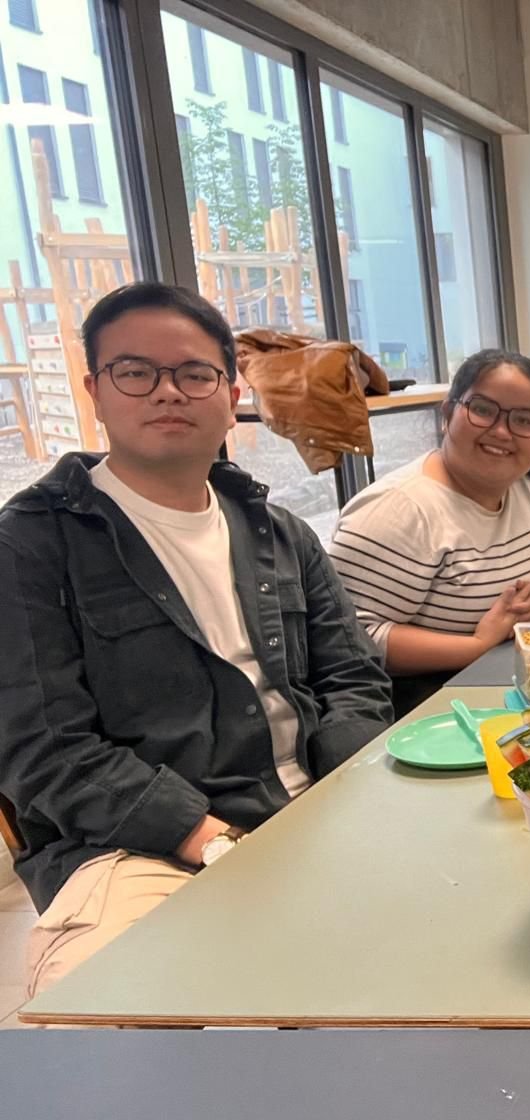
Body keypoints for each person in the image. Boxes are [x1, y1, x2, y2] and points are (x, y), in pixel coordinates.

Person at [0, 282, 393, 997]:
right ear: (95, 387)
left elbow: (354, 677)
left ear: (229, 389)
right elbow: (44, 747)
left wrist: (346, 802)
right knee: (108, 1027)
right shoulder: (31, 545)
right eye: (135, 372)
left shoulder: (280, 534)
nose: (166, 392)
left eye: (193, 373)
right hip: (134, 849)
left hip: (309, 811)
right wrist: (208, 839)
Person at [329, 349, 530, 711]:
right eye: (483, 410)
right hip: (432, 708)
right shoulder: (397, 511)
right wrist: (474, 646)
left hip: (520, 687)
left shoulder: (523, 489)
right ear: (448, 414)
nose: (502, 431)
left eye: (523, 420)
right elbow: (351, 638)